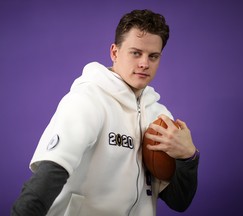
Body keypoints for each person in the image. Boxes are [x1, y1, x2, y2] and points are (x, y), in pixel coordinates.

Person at [11, 9, 200, 216]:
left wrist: (188, 157)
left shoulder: (160, 116)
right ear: (114, 52)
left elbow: (179, 201)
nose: (144, 63)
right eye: (136, 53)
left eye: (153, 56)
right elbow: (49, 176)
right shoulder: (88, 100)